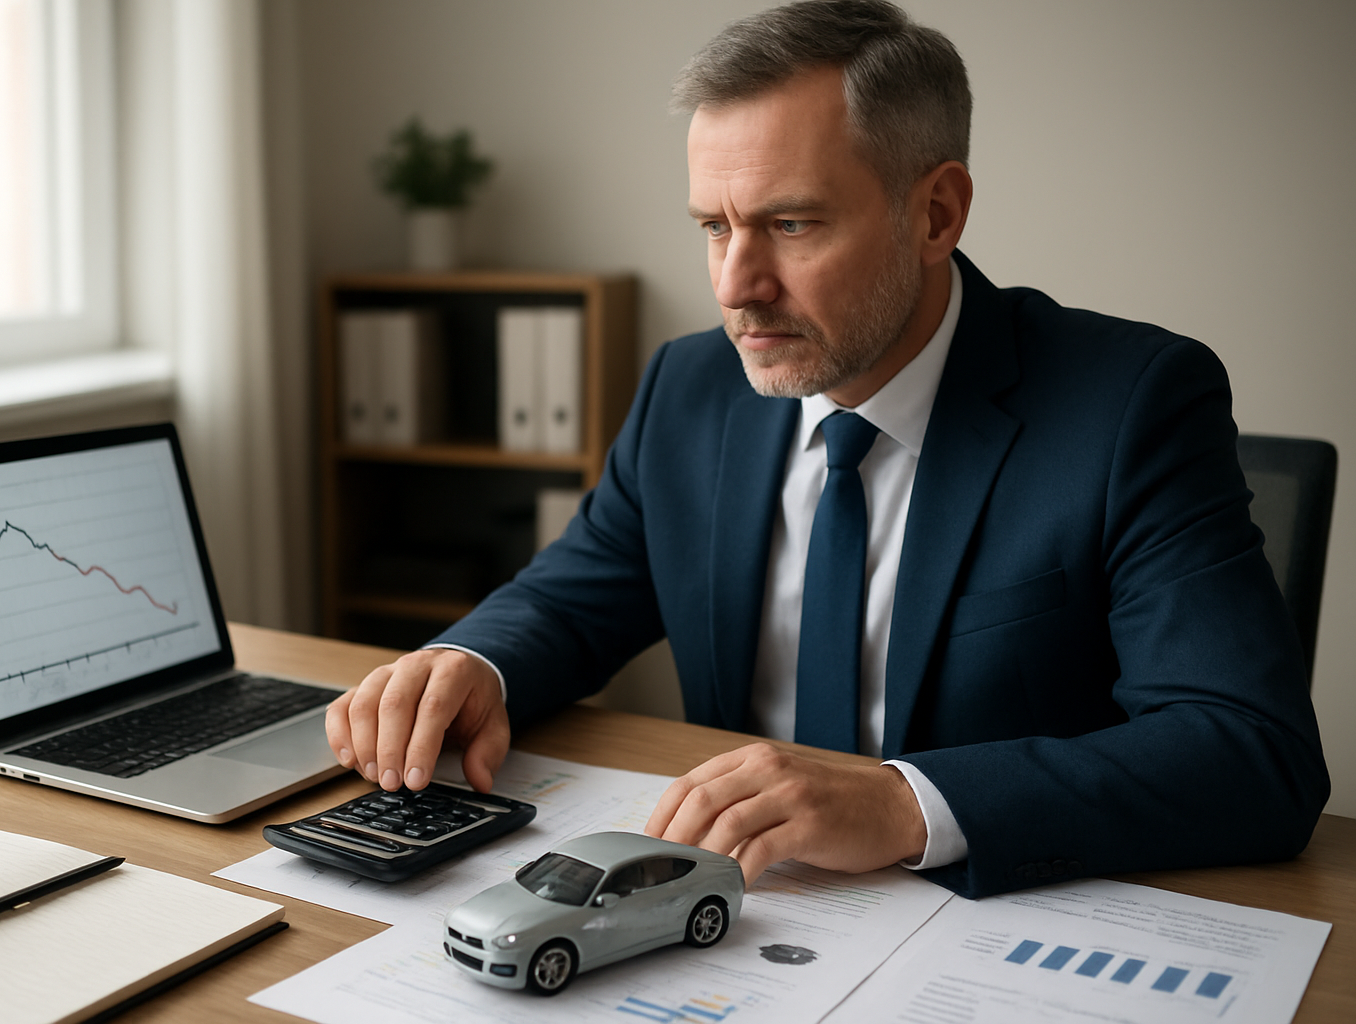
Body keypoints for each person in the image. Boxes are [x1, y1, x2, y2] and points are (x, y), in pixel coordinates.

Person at [325, 0, 1328, 899]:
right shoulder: (691, 386)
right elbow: (576, 592)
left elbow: (1251, 753)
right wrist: (469, 661)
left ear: (936, 212)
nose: (735, 284)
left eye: (790, 223)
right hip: (741, 919)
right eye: (713, 227)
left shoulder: (1129, 405)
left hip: (989, 926)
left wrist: (902, 804)